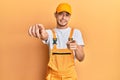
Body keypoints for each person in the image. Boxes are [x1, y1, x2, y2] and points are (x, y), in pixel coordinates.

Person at [28, 3, 85, 80]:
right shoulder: (50, 33)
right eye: (61, 14)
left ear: (70, 17)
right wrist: (41, 33)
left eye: (67, 15)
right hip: (52, 76)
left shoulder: (76, 33)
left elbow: (81, 58)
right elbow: (45, 35)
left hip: (70, 76)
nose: (63, 17)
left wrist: (77, 47)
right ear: (55, 15)